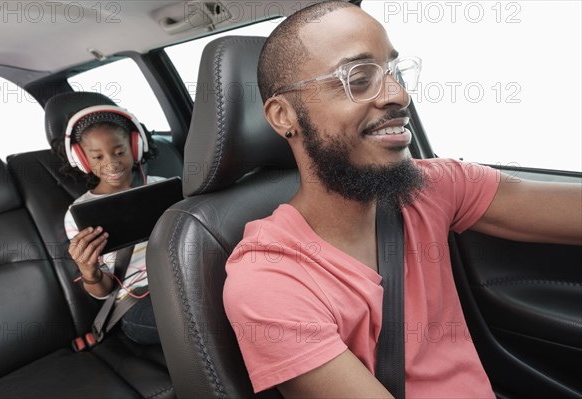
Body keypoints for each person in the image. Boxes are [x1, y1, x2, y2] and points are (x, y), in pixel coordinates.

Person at [222, 1, 582, 398]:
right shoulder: (268, 278)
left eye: (393, 72)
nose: (399, 95)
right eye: (358, 78)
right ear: (283, 116)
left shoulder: (432, 187)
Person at [55, 104, 162, 345]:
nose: (111, 163)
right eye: (97, 156)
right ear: (82, 160)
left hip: (183, 277)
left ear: (135, 147)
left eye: (119, 151)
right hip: (136, 302)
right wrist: (88, 270)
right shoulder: (78, 214)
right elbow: (103, 291)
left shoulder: (162, 186)